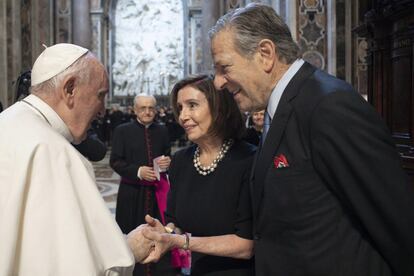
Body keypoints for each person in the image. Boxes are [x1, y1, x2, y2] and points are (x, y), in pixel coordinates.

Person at [209, 3, 414, 276]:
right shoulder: (281, 108)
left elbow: (395, 223)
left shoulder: (328, 106)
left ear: (265, 54)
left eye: (224, 67)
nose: (218, 83)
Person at [0, 43, 153, 275]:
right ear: (70, 88)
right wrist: (128, 250)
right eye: (100, 96)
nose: (102, 110)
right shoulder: (55, 152)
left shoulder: (7, 121)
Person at [137, 75, 256, 275]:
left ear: (219, 108)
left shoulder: (249, 160)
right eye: (180, 108)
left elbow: (246, 246)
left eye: (192, 105)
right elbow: (175, 222)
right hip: (199, 270)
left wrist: (180, 241)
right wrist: (164, 233)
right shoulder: (181, 161)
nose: (183, 116)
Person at [110, 93, 174, 276]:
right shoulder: (122, 130)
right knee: (131, 237)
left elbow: (167, 155)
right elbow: (115, 161)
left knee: (158, 235)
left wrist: (167, 163)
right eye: (143, 108)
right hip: (132, 193)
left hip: (156, 194)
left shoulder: (162, 130)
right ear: (134, 110)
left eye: (151, 108)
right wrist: (138, 171)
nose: (147, 112)